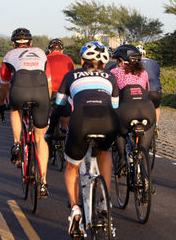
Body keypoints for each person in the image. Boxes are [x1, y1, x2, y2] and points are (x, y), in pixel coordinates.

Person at [55, 41, 119, 236]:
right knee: (104, 152)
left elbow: (58, 107)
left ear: (82, 60)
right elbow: (115, 108)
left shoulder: (71, 75)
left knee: (72, 167)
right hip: (108, 122)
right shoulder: (110, 77)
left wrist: (50, 130)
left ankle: (75, 210)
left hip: (81, 121)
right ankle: (105, 200)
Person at [0, 28, 52, 197]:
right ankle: (43, 182)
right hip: (41, 92)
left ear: (14, 43)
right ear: (31, 43)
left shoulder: (9, 55)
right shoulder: (41, 53)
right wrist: (46, 104)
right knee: (40, 138)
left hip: (19, 91)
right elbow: (49, 83)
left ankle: (17, 144)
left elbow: (4, 85)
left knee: (15, 110)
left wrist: (0, 104)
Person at [110, 44, 156, 172]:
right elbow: (147, 92)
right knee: (143, 150)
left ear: (121, 61)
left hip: (126, 110)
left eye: (117, 60)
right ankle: (145, 176)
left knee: (118, 130)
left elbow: (110, 94)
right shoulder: (144, 72)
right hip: (147, 109)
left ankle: (122, 158)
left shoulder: (114, 72)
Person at [44, 38, 74, 140]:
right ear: (62, 50)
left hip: (48, 91)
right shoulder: (68, 59)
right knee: (66, 113)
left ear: (49, 50)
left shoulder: (45, 58)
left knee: (46, 112)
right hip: (64, 92)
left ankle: (47, 126)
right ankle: (64, 132)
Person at [136, 45, 162, 133]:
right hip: (156, 90)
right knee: (156, 108)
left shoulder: (135, 63)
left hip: (142, 90)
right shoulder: (154, 62)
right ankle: (156, 126)